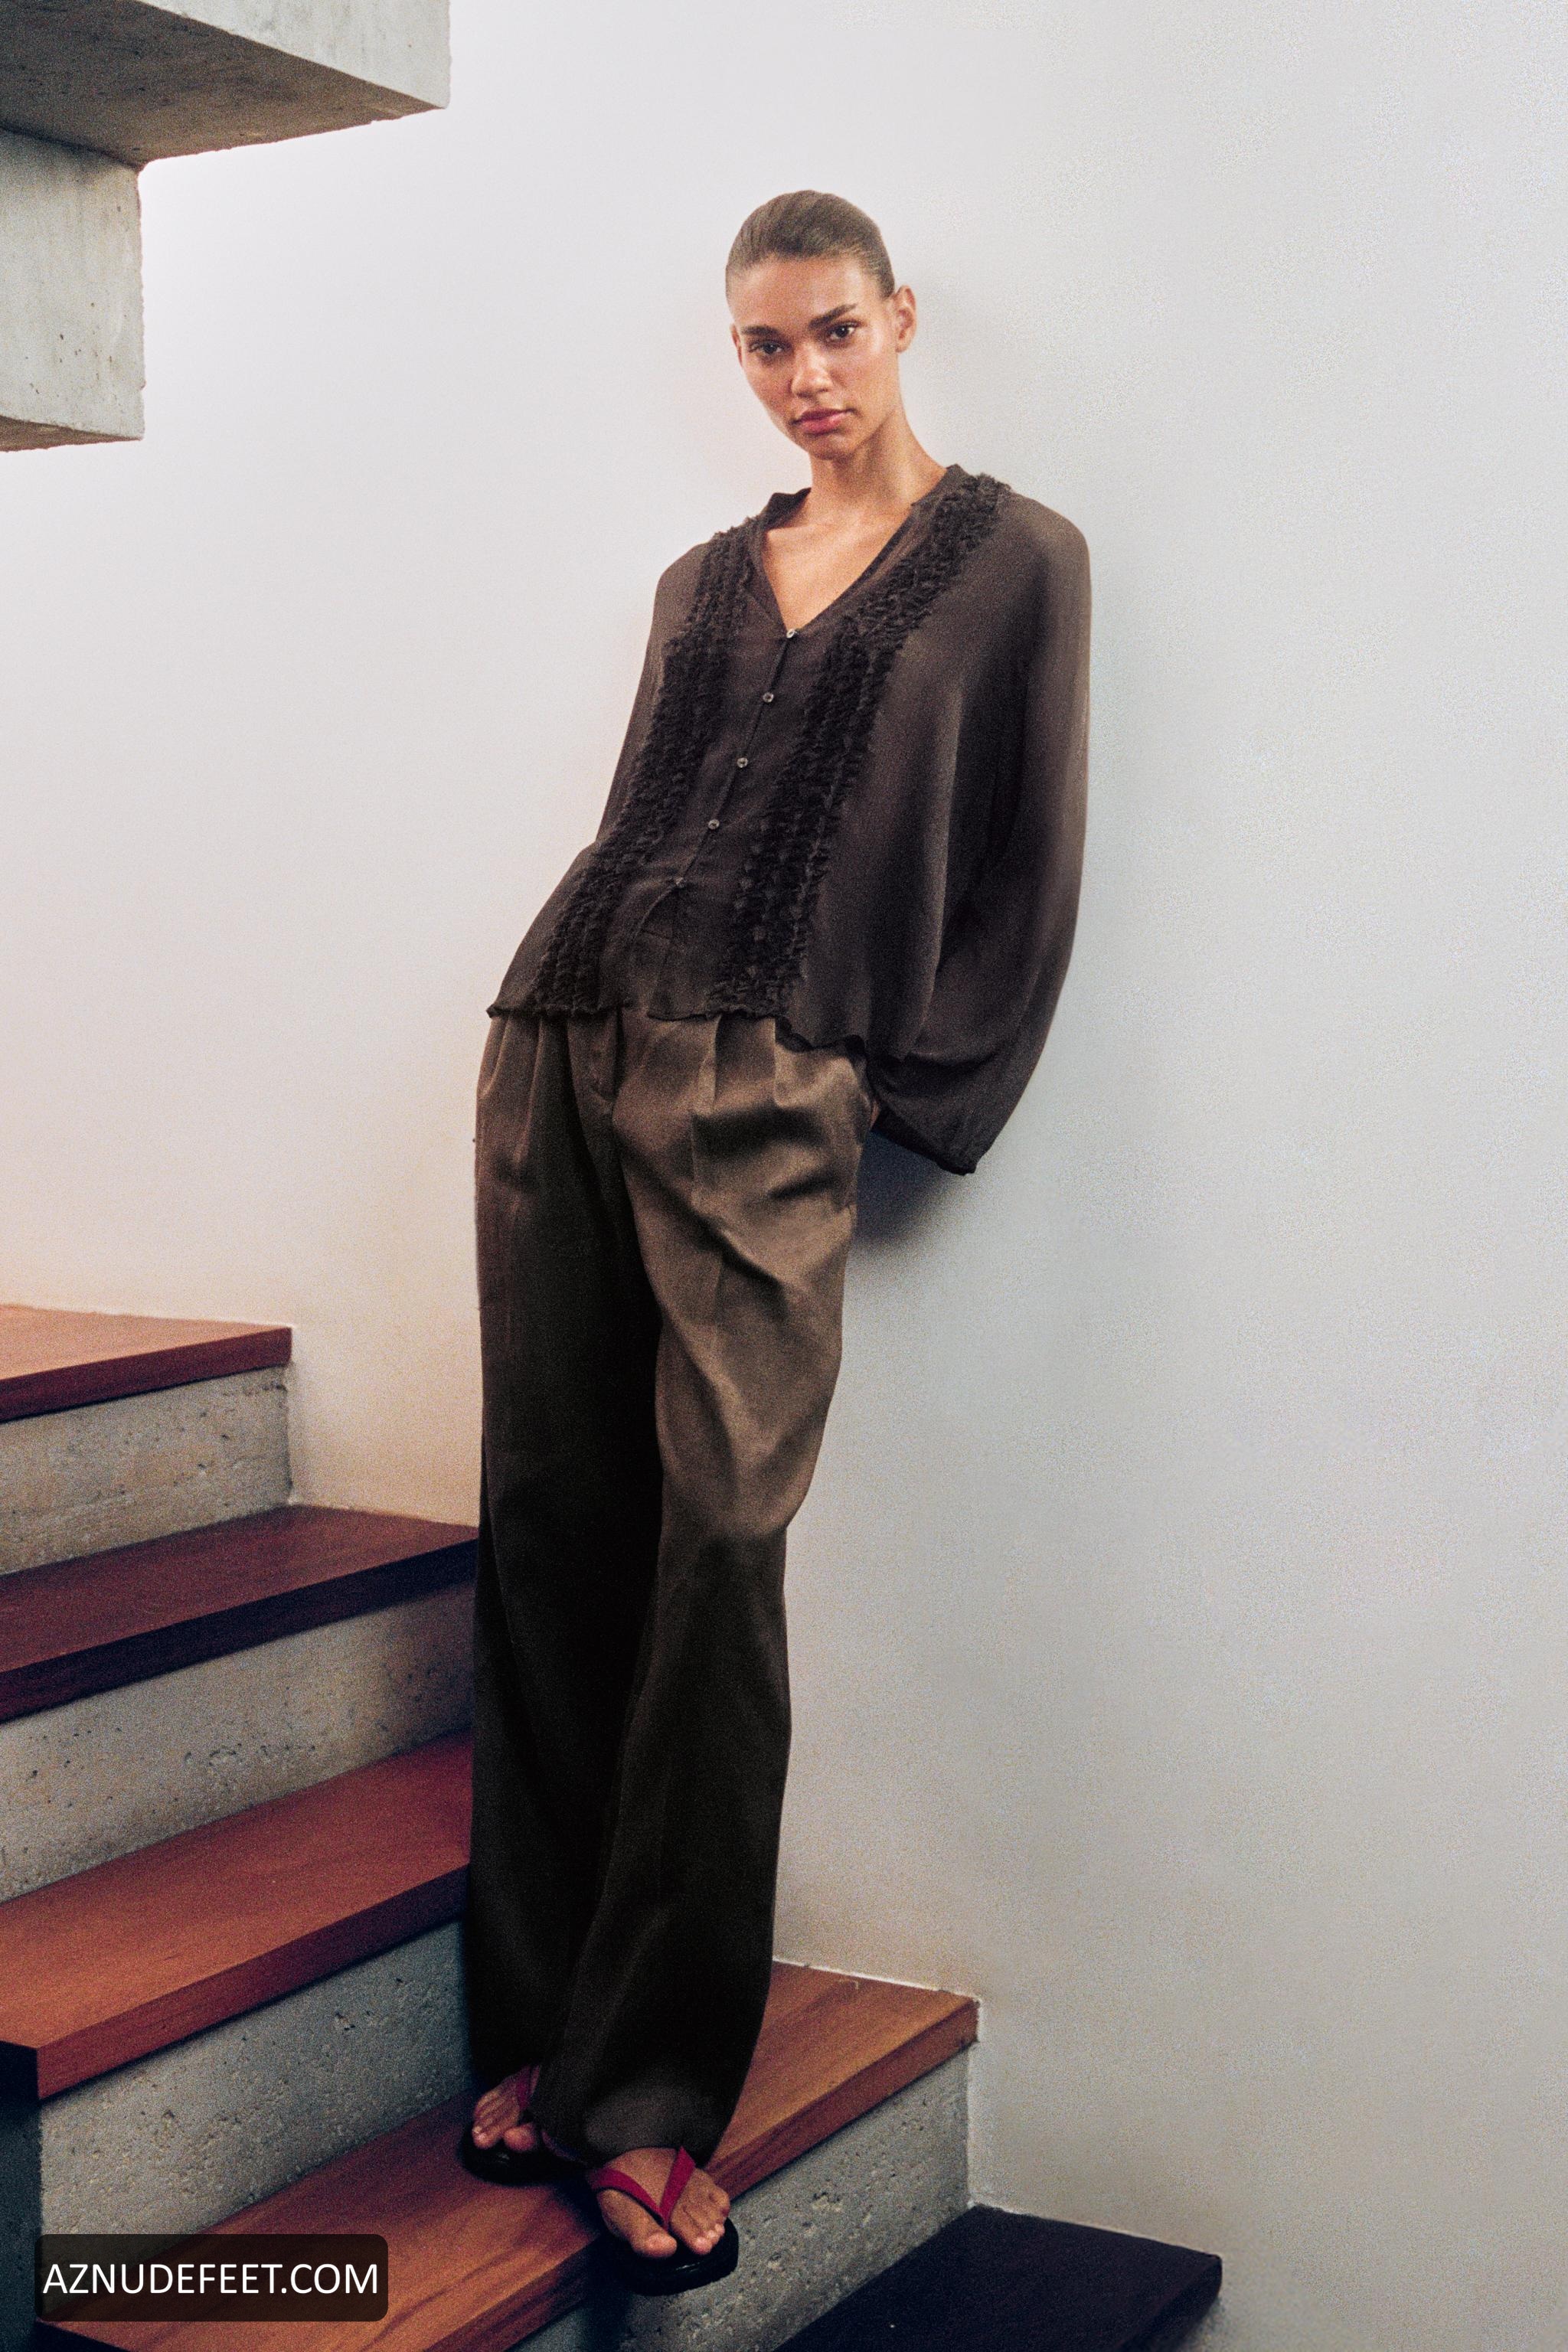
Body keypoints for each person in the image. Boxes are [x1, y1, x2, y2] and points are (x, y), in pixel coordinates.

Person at [458, 189, 1091, 2295]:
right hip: (564, 1032)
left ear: (899, 319)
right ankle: (539, 2016)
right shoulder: (696, 583)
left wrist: (890, 1091)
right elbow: (640, 817)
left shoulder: (1019, 562)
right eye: (763, 345)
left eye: (833, 332)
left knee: (720, 1543)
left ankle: (644, 2089)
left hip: (770, 1086)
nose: (804, 378)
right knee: (556, 1524)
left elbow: (1030, 863)